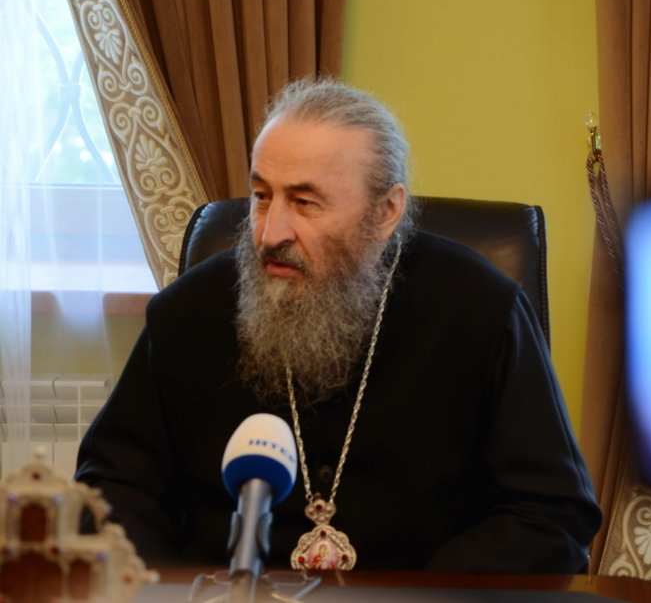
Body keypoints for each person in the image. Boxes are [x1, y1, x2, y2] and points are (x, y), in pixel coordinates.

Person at [75, 79, 601, 573]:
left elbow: (551, 513)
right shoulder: (189, 312)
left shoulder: (480, 309)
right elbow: (111, 490)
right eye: (262, 196)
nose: (270, 233)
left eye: (304, 202)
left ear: (385, 212)